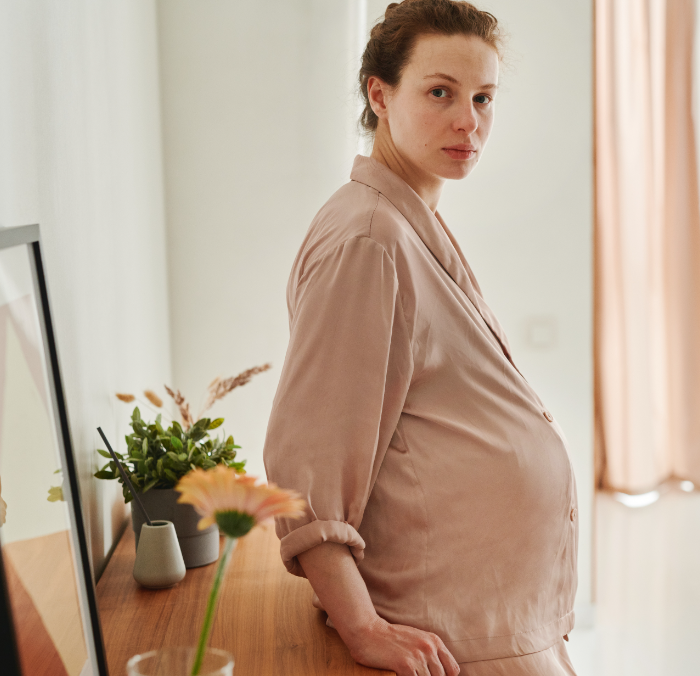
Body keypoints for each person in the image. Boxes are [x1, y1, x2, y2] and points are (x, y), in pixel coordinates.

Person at [263, 1, 578, 674]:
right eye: (441, 92)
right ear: (380, 94)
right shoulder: (370, 241)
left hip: (483, 618)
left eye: (483, 97)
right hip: (445, 636)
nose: (470, 121)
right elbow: (308, 467)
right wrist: (364, 629)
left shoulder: (405, 222)